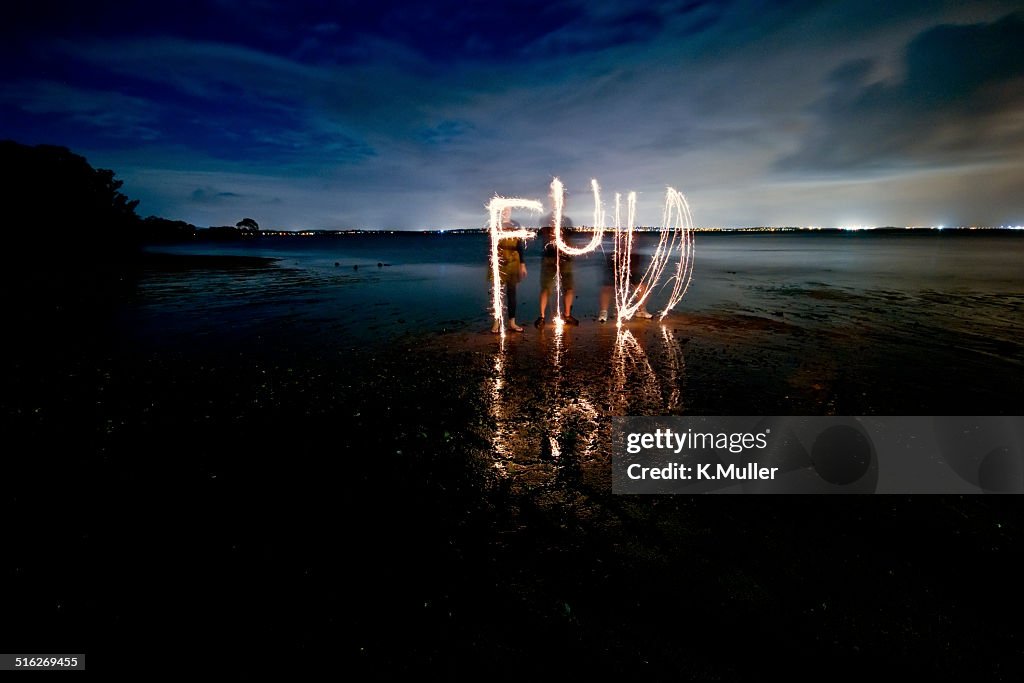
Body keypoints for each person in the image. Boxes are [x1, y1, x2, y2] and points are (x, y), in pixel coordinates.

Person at [535, 213, 579, 327]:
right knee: (546, 288)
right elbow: (543, 234)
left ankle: (567, 315)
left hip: (565, 258)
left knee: (569, 288)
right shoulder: (546, 219)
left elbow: (570, 236)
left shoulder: (567, 220)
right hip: (549, 259)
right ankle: (542, 317)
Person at [598, 238, 652, 322]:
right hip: (615, 263)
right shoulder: (620, 238)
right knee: (608, 287)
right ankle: (603, 312)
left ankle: (642, 310)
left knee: (641, 286)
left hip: (632, 264)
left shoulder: (634, 240)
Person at [491, 210, 528, 333]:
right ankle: (497, 322)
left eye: (508, 210)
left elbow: (520, 246)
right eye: (504, 210)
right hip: (500, 263)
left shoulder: (515, 225)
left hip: (513, 263)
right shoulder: (496, 225)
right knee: (498, 294)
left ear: (511, 212)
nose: (506, 212)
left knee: (512, 293)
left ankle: (512, 322)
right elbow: (492, 245)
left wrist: (522, 264)